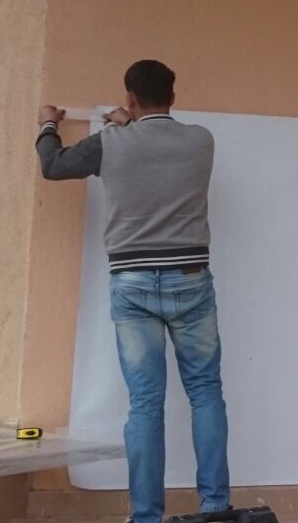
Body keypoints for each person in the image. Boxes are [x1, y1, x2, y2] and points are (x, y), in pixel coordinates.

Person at [35, 60, 229, 523]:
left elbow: (53, 166)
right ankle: (216, 508)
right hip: (189, 278)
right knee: (205, 393)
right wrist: (129, 125)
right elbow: (155, 144)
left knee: (145, 403)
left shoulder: (111, 142)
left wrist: (47, 123)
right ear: (173, 97)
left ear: (129, 98)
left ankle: (146, 517)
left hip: (133, 282)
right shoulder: (201, 140)